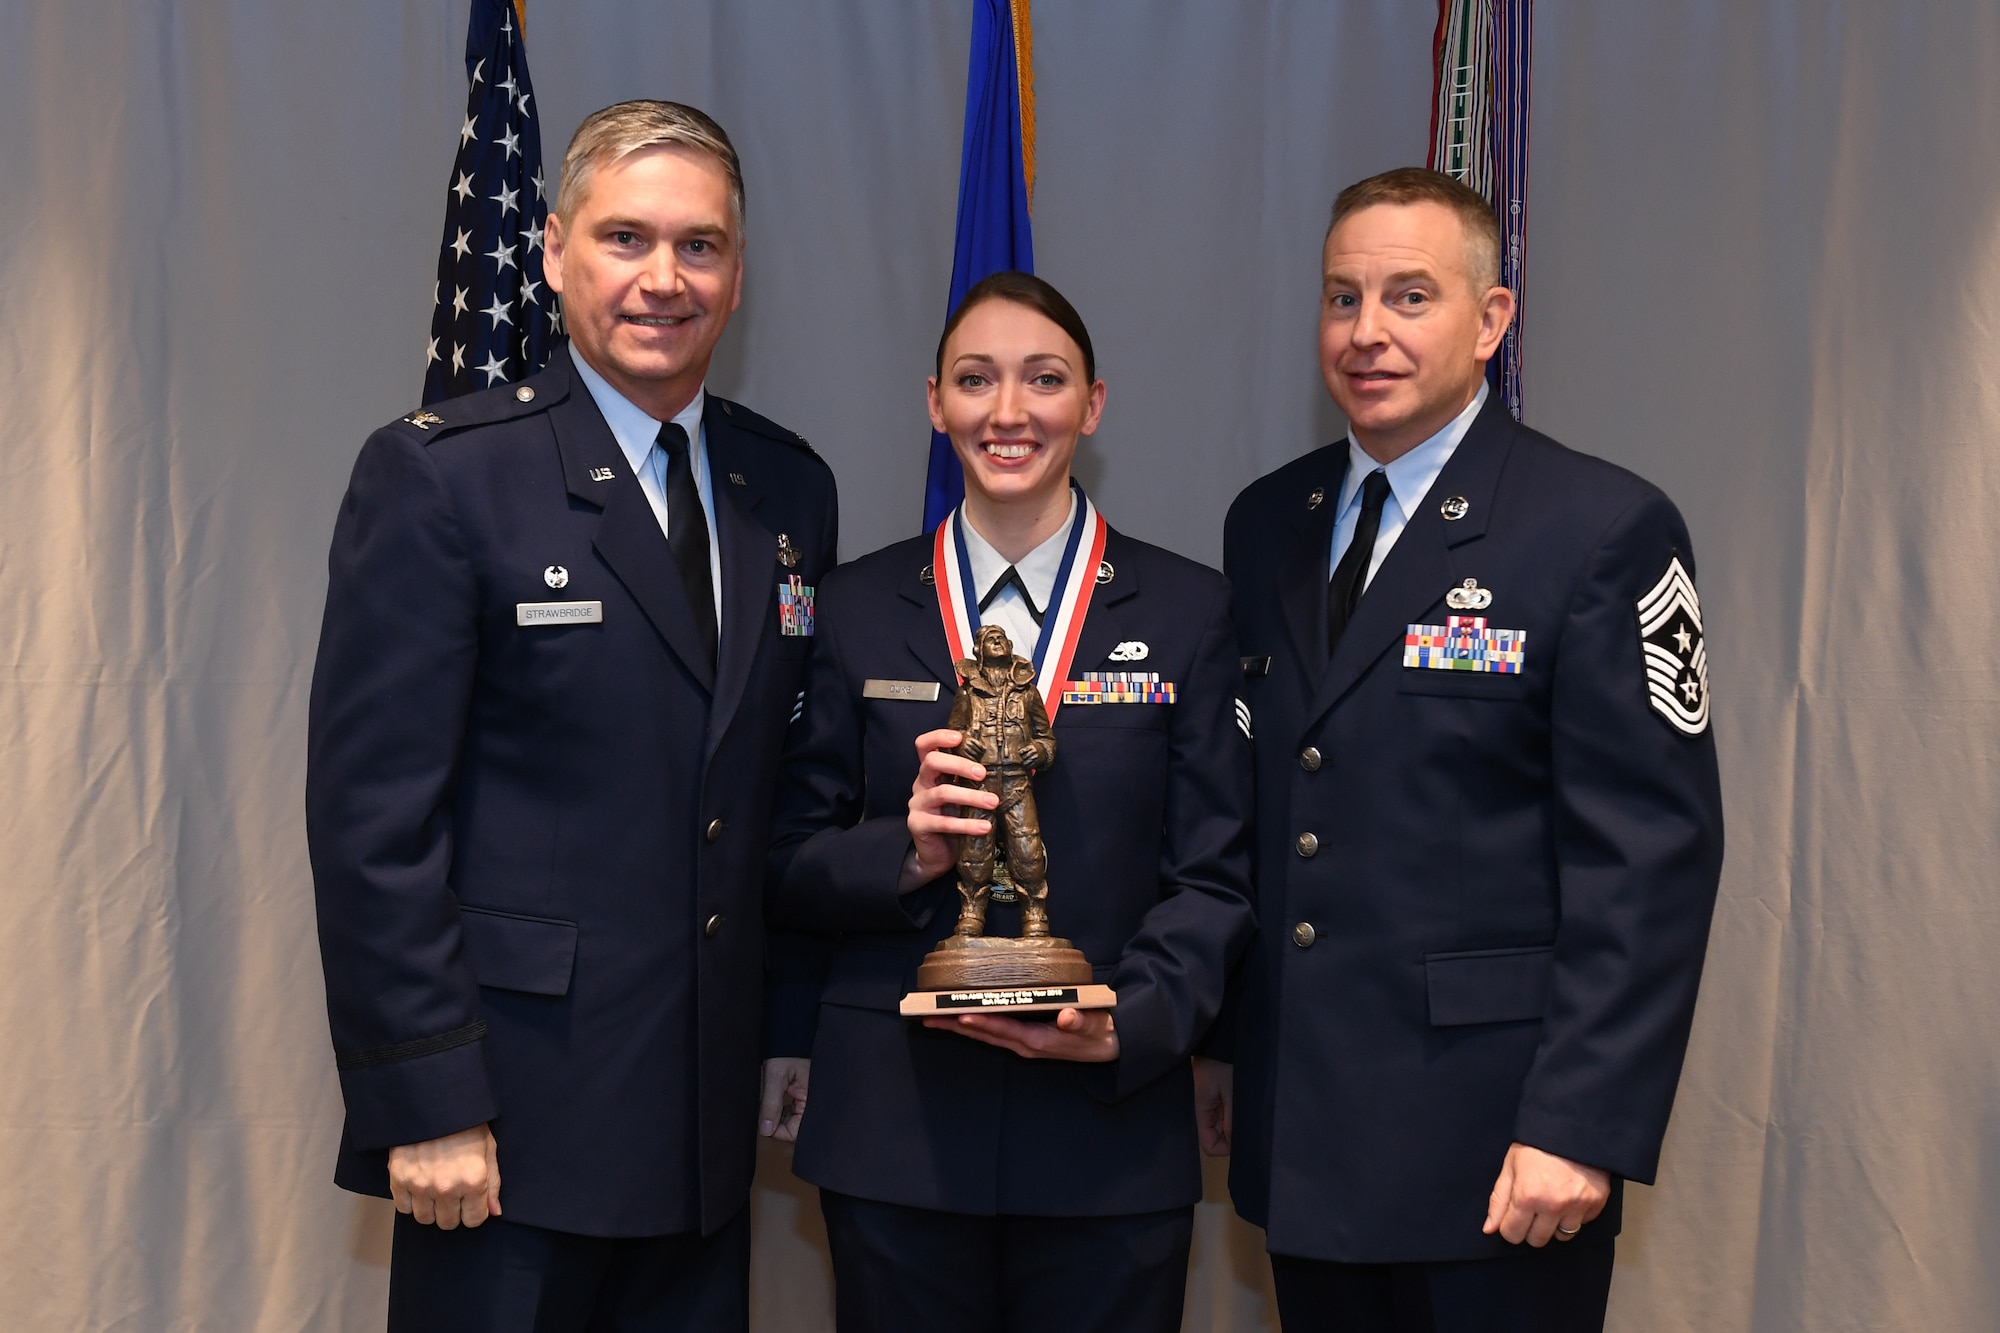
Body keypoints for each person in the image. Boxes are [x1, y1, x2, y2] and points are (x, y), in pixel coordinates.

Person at [305, 100, 837, 1330]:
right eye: (625, 239)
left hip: (701, 1128)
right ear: (552, 252)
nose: (664, 278)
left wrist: (790, 1034)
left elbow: (783, 794)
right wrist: (425, 1094)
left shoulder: (786, 486)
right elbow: (373, 824)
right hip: (506, 1127)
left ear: (739, 272)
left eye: (699, 246)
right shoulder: (445, 476)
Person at [1211, 167, 1725, 1332]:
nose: (1366, 332)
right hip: (1307, 1129)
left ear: (1490, 321)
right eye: (1342, 299)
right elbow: (1266, 809)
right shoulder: (1266, 525)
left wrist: (1579, 1124)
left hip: (1497, 1148)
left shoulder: (1597, 528)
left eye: (1408, 296)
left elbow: (1648, 857)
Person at [764, 271, 1255, 1333]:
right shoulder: (853, 607)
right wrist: (905, 851)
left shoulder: (1186, 610)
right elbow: (783, 854)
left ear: (1092, 404)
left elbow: (1213, 869)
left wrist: (1134, 1021)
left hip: (1106, 1133)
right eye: (976, 381)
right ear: (934, 402)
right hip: (897, 1125)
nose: (1009, 411)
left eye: (1044, 379)